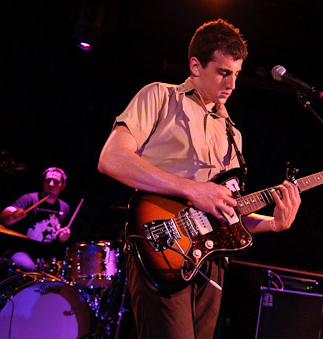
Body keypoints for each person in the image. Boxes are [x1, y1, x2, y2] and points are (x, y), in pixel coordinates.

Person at [98, 19, 301, 339]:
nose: (232, 84)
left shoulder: (234, 134)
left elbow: (229, 214)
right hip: (162, 244)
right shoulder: (160, 96)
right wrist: (193, 190)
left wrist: (274, 224)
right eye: (223, 72)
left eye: (237, 73)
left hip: (212, 261)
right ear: (195, 65)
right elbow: (112, 159)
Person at [0, 167, 71, 271]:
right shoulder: (29, 199)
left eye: (55, 182)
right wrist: (12, 216)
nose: (51, 184)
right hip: (23, 251)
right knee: (28, 267)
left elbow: (60, 239)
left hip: (47, 257)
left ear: (62, 186)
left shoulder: (64, 207)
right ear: (43, 182)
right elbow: (3, 218)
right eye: (48, 181)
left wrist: (63, 238)